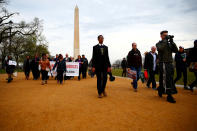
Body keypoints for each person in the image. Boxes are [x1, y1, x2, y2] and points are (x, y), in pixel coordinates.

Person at [156, 30, 178, 103]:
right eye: (164, 35)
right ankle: (169, 96)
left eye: (167, 35)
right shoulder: (158, 44)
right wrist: (165, 40)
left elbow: (176, 50)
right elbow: (160, 48)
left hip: (170, 63)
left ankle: (160, 89)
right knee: (167, 79)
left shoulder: (169, 44)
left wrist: (172, 42)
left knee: (167, 78)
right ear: (161, 36)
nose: (166, 36)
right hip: (163, 63)